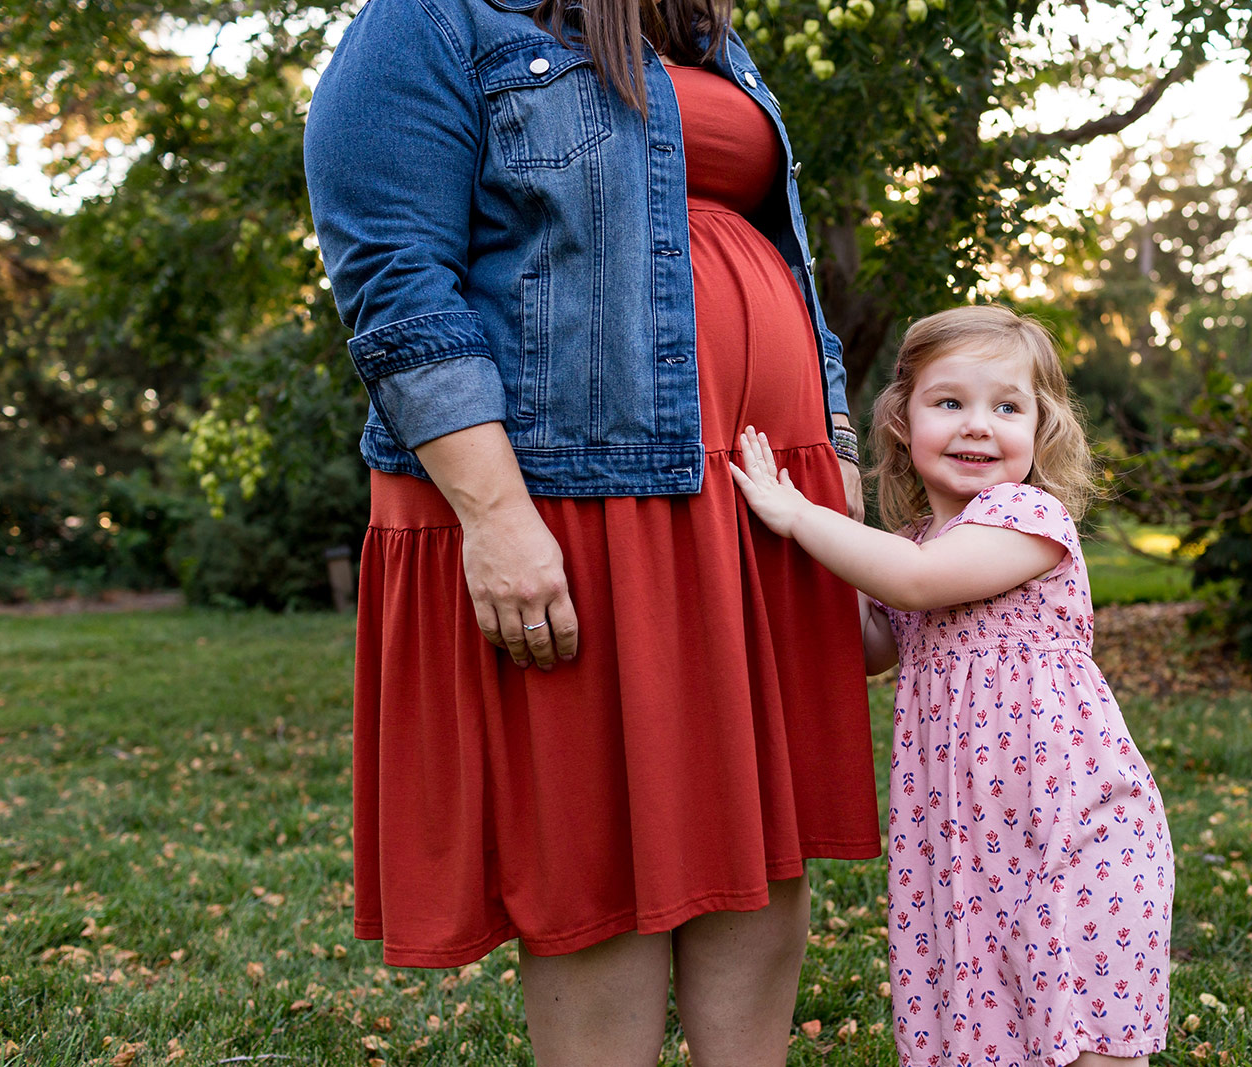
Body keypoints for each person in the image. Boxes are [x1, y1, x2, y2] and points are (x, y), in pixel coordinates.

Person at [302, 0, 882, 1063]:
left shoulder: (700, 34)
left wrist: (836, 457)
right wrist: (494, 514)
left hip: (756, 487)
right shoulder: (429, 21)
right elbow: (391, 277)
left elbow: (783, 258)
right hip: (579, 490)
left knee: (762, 839)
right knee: (595, 860)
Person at [730, 304, 1174, 1067]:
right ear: (903, 420)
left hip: (1070, 831)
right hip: (966, 839)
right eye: (950, 403)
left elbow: (918, 584)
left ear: (1043, 429)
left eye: (1007, 407)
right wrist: (801, 559)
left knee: (1083, 1018)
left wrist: (801, 515)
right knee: (987, 1010)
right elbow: (871, 643)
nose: (978, 425)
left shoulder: (1027, 517)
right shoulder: (912, 542)